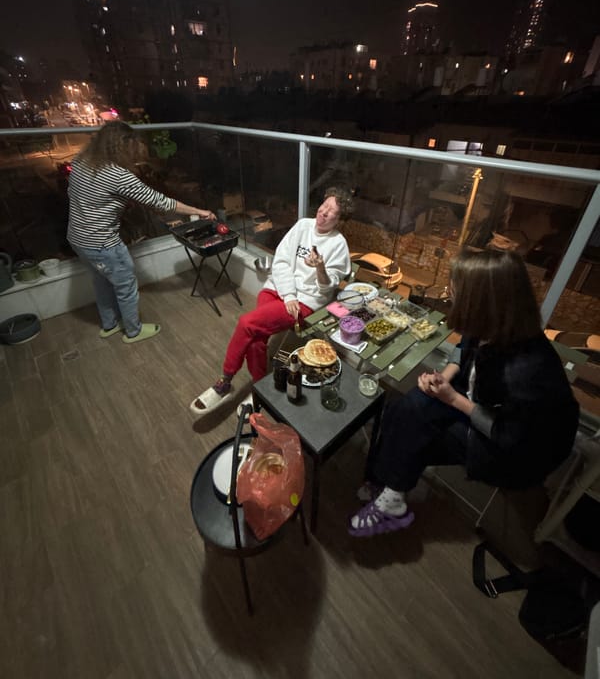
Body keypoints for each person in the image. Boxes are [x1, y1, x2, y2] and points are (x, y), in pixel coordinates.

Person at [349, 248, 579, 537]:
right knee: (401, 408)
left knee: (417, 432)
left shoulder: (526, 369)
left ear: (480, 299)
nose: (449, 293)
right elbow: (463, 349)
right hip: (479, 399)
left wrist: (451, 398)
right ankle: (386, 484)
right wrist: (442, 378)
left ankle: (391, 491)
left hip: (514, 450)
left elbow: (510, 435)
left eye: (454, 288)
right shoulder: (489, 322)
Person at [191, 186, 354, 412]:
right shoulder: (302, 226)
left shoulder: (338, 245)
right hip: (278, 290)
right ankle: (261, 388)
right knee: (257, 339)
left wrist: (321, 268)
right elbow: (280, 261)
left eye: (331, 211)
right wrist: (288, 294)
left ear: (339, 219)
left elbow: (327, 289)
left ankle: (225, 381)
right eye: (324, 206)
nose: (323, 212)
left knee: (246, 323)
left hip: (305, 302)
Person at [67, 121, 215, 344]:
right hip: (103, 244)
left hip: (78, 239)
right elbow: (160, 202)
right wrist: (199, 211)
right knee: (125, 286)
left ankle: (109, 325)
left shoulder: (80, 162)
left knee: (101, 281)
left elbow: (73, 194)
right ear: (122, 146)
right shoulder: (116, 175)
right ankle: (133, 331)